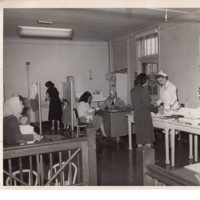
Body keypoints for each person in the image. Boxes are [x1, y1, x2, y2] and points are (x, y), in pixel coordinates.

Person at [131, 73, 159, 147]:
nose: (147, 82)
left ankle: (141, 157)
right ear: (144, 80)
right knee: (147, 138)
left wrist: (150, 102)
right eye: (147, 80)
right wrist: (157, 110)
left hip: (137, 117)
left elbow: (138, 103)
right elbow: (147, 105)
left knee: (140, 138)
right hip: (145, 117)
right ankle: (147, 158)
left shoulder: (133, 90)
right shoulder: (144, 90)